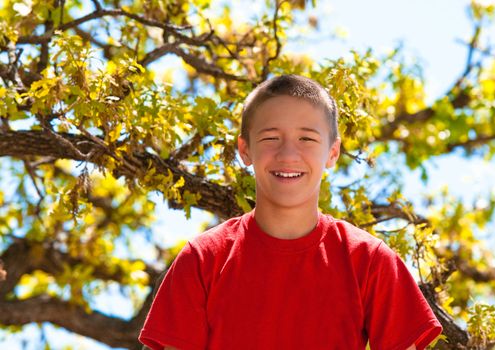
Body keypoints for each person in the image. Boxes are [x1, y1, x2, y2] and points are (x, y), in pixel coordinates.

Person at [138, 75, 443, 350]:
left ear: (333, 152)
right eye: (271, 138)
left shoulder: (369, 260)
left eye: (307, 139)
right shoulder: (202, 259)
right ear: (244, 150)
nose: (288, 154)